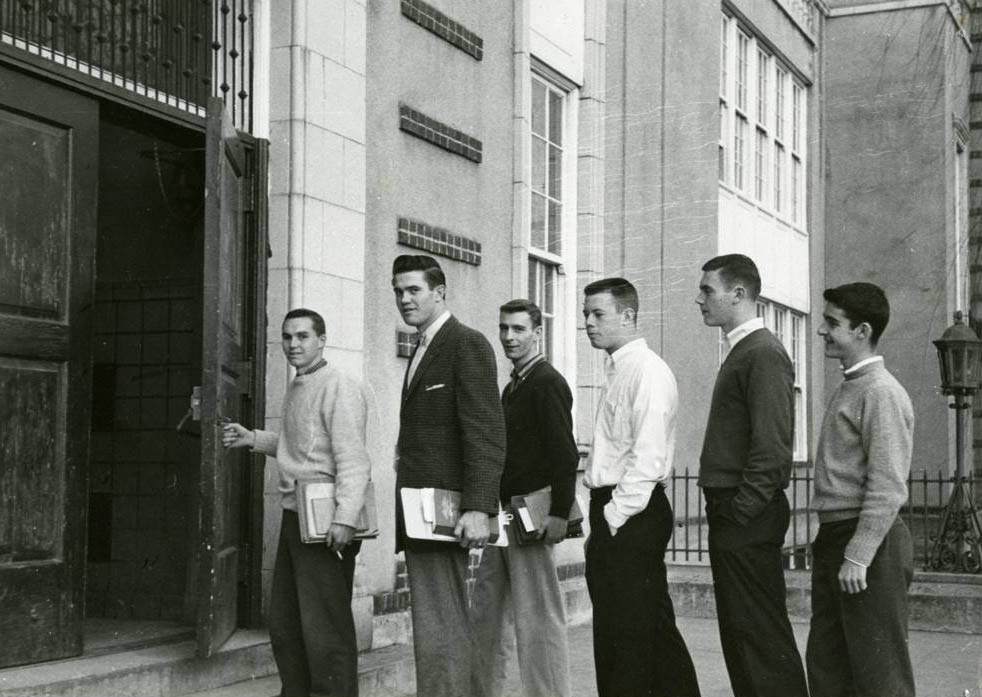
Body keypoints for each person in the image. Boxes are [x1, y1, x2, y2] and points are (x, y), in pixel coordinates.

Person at [222, 308, 370, 697]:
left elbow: (353, 459)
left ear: (322, 340)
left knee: (325, 628)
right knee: (286, 624)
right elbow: (300, 448)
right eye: (288, 337)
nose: (293, 345)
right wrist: (252, 438)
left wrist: (344, 518)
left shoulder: (339, 386)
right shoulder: (299, 385)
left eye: (303, 336)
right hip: (296, 518)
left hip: (326, 523)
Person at [391, 254, 505, 697]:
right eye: (399, 290)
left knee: (442, 625)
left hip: (444, 513)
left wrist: (478, 507)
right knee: (436, 625)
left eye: (414, 289)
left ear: (440, 292)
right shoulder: (422, 346)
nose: (404, 299)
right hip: (421, 513)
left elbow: (486, 433)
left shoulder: (466, 344)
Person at [582, 277, 701, 697]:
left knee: (630, 637)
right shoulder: (619, 370)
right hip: (617, 510)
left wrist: (613, 517)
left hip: (631, 511)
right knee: (638, 631)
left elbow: (647, 458)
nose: (589, 324)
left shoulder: (647, 371)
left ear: (628, 315)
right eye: (586, 315)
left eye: (599, 314)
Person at [695, 254, 808, 697]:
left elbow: (772, 448)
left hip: (745, 515)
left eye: (708, 290)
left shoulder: (762, 352)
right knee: (743, 638)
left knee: (759, 639)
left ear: (738, 294)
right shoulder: (745, 350)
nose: (699, 298)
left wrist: (739, 513)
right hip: (735, 513)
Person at [806, 282, 915, 697]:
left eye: (832, 323)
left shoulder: (881, 391)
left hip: (868, 544)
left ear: (862, 331)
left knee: (879, 673)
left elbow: (888, 485)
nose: (822, 331)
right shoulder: (852, 385)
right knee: (829, 667)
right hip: (836, 536)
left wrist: (859, 554)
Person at [469, 299, 577, 697]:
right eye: (504, 328)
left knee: (538, 619)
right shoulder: (515, 385)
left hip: (531, 516)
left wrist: (560, 514)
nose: (509, 337)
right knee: (485, 611)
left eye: (518, 329)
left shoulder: (547, 382)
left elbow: (565, 454)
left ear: (537, 333)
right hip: (505, 516)